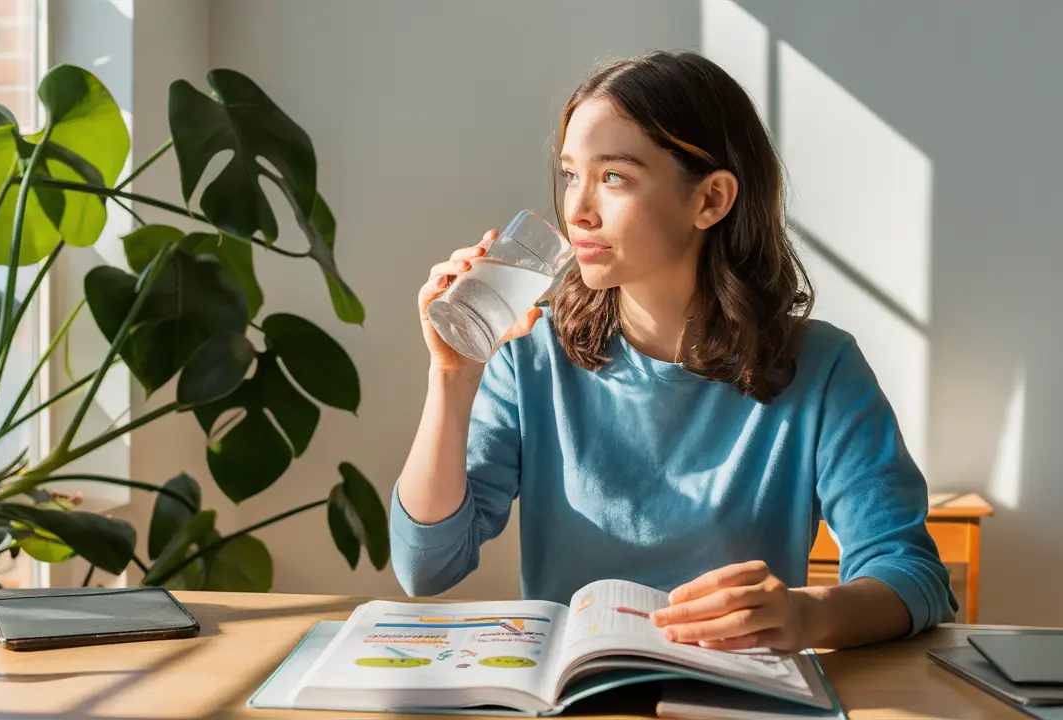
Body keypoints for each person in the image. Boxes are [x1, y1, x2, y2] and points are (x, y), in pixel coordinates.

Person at [390, 50, 956, 652]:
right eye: (569, 174)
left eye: (613, 177)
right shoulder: (530, 358)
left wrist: (807, 615)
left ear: (711, 200)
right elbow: (427, 568)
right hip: (575, 701)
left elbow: (914, 575)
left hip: (734, 701)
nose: (577, 211)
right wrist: (451, 376)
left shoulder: (821, 370)